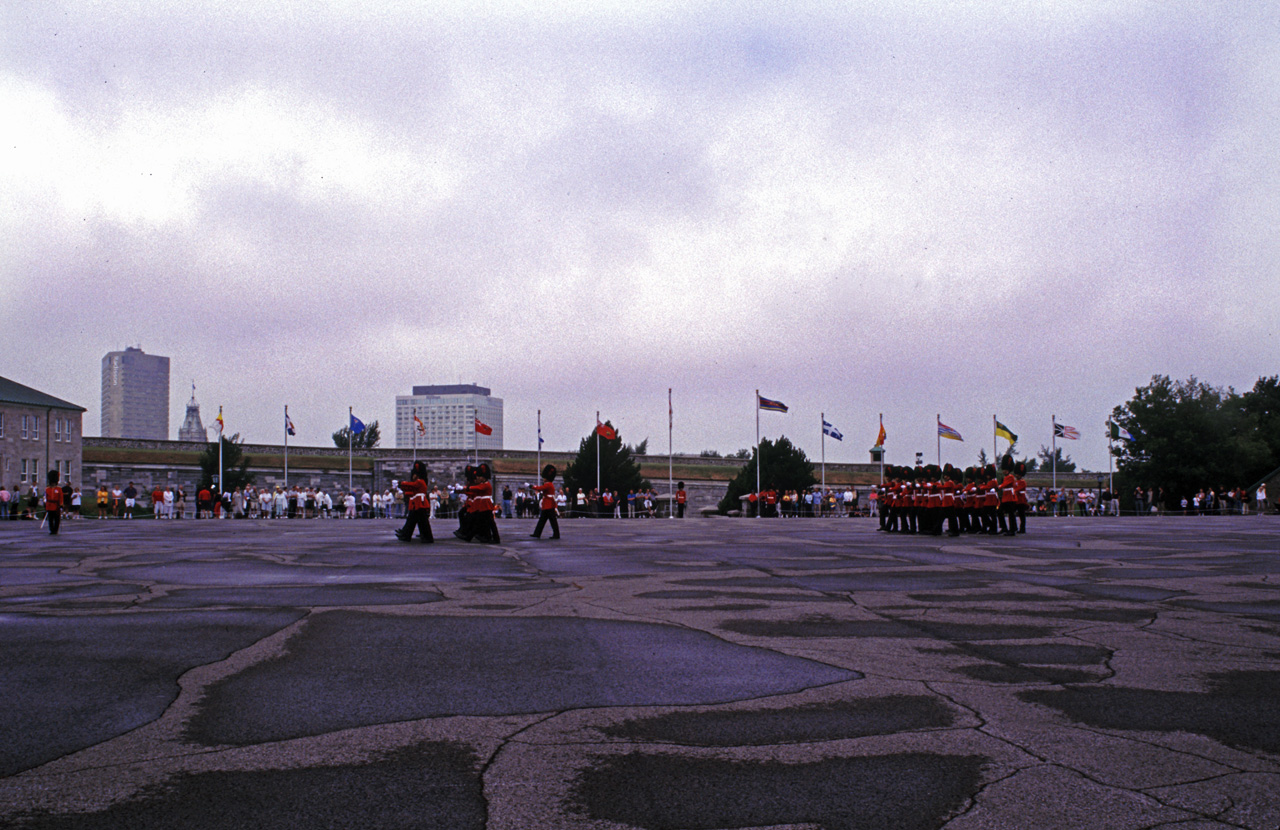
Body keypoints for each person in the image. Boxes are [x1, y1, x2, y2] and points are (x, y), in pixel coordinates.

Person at [396, 461, 434, 543]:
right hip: (418, 503)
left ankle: (408, 535)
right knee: (415, 521)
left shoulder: (420, 481)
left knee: (419, 522)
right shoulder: (419, 481)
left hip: (420, 503)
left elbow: (411, 486)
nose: (413, 476)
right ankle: (406, 535)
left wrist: (401, 483)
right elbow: (411, 490)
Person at [530, 464, 561, 539]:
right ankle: (537, 533)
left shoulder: (548, 484)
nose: (543, 479)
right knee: (543, 520)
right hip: (547, 504)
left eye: (544, 478)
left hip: (549, 505)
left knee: (551, 521)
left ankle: (555, 534)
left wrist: (531, 486)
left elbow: (540, 488)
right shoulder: (549, 484)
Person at [43, 469, 64, 535]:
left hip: (56, 505)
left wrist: (61, 505)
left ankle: (55, 530)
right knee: (50, 519)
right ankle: (51, 530)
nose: (53, 483)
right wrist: (45, 503)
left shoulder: (59, 489)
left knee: (57, 519)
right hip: (49, 505)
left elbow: (61, 497)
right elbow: (45, 497)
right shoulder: (47, 489)